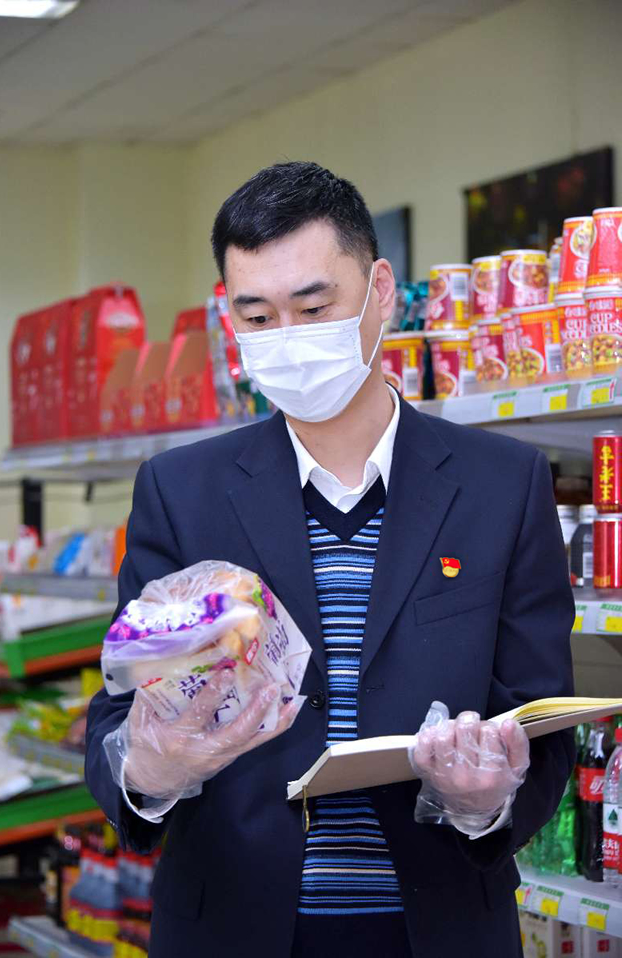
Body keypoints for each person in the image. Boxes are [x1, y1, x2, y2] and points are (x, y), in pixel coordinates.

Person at [86, 161, 575, 958]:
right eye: (258, 316)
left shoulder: (503, 484)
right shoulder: (181, 491)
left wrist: (483, 800)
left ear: (379, 291)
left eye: (314, 308)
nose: (289, 339)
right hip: (232, 928)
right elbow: (118, 716)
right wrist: (150, 769)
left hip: (439, 927)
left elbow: (542, 719)